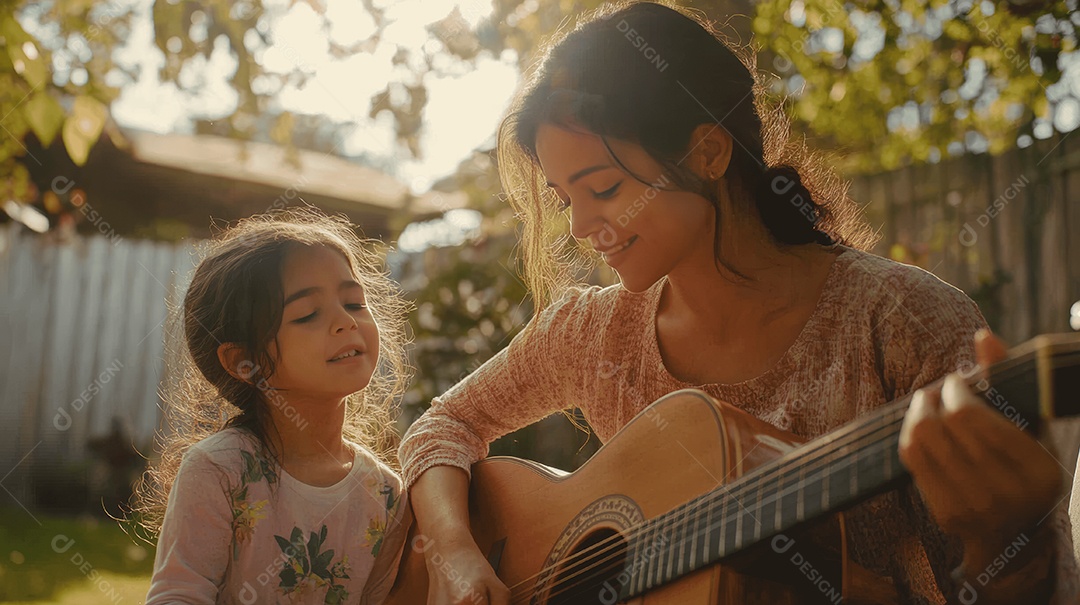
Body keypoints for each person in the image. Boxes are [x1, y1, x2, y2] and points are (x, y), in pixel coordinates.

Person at [398, 2, 1079, 604]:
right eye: (564, 197)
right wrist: (454, 552)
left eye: (603, 188)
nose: (577, 226)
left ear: (708, 151)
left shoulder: (904, 321)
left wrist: (1004, 544)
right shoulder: (590, 334)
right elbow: (441, 426)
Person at [138, 208, 411, 604]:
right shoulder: (221, 470)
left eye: (354, 303)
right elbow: (177, 595)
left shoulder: (383, 492)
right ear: (243, 361)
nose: (346, 321)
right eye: (308, 314)